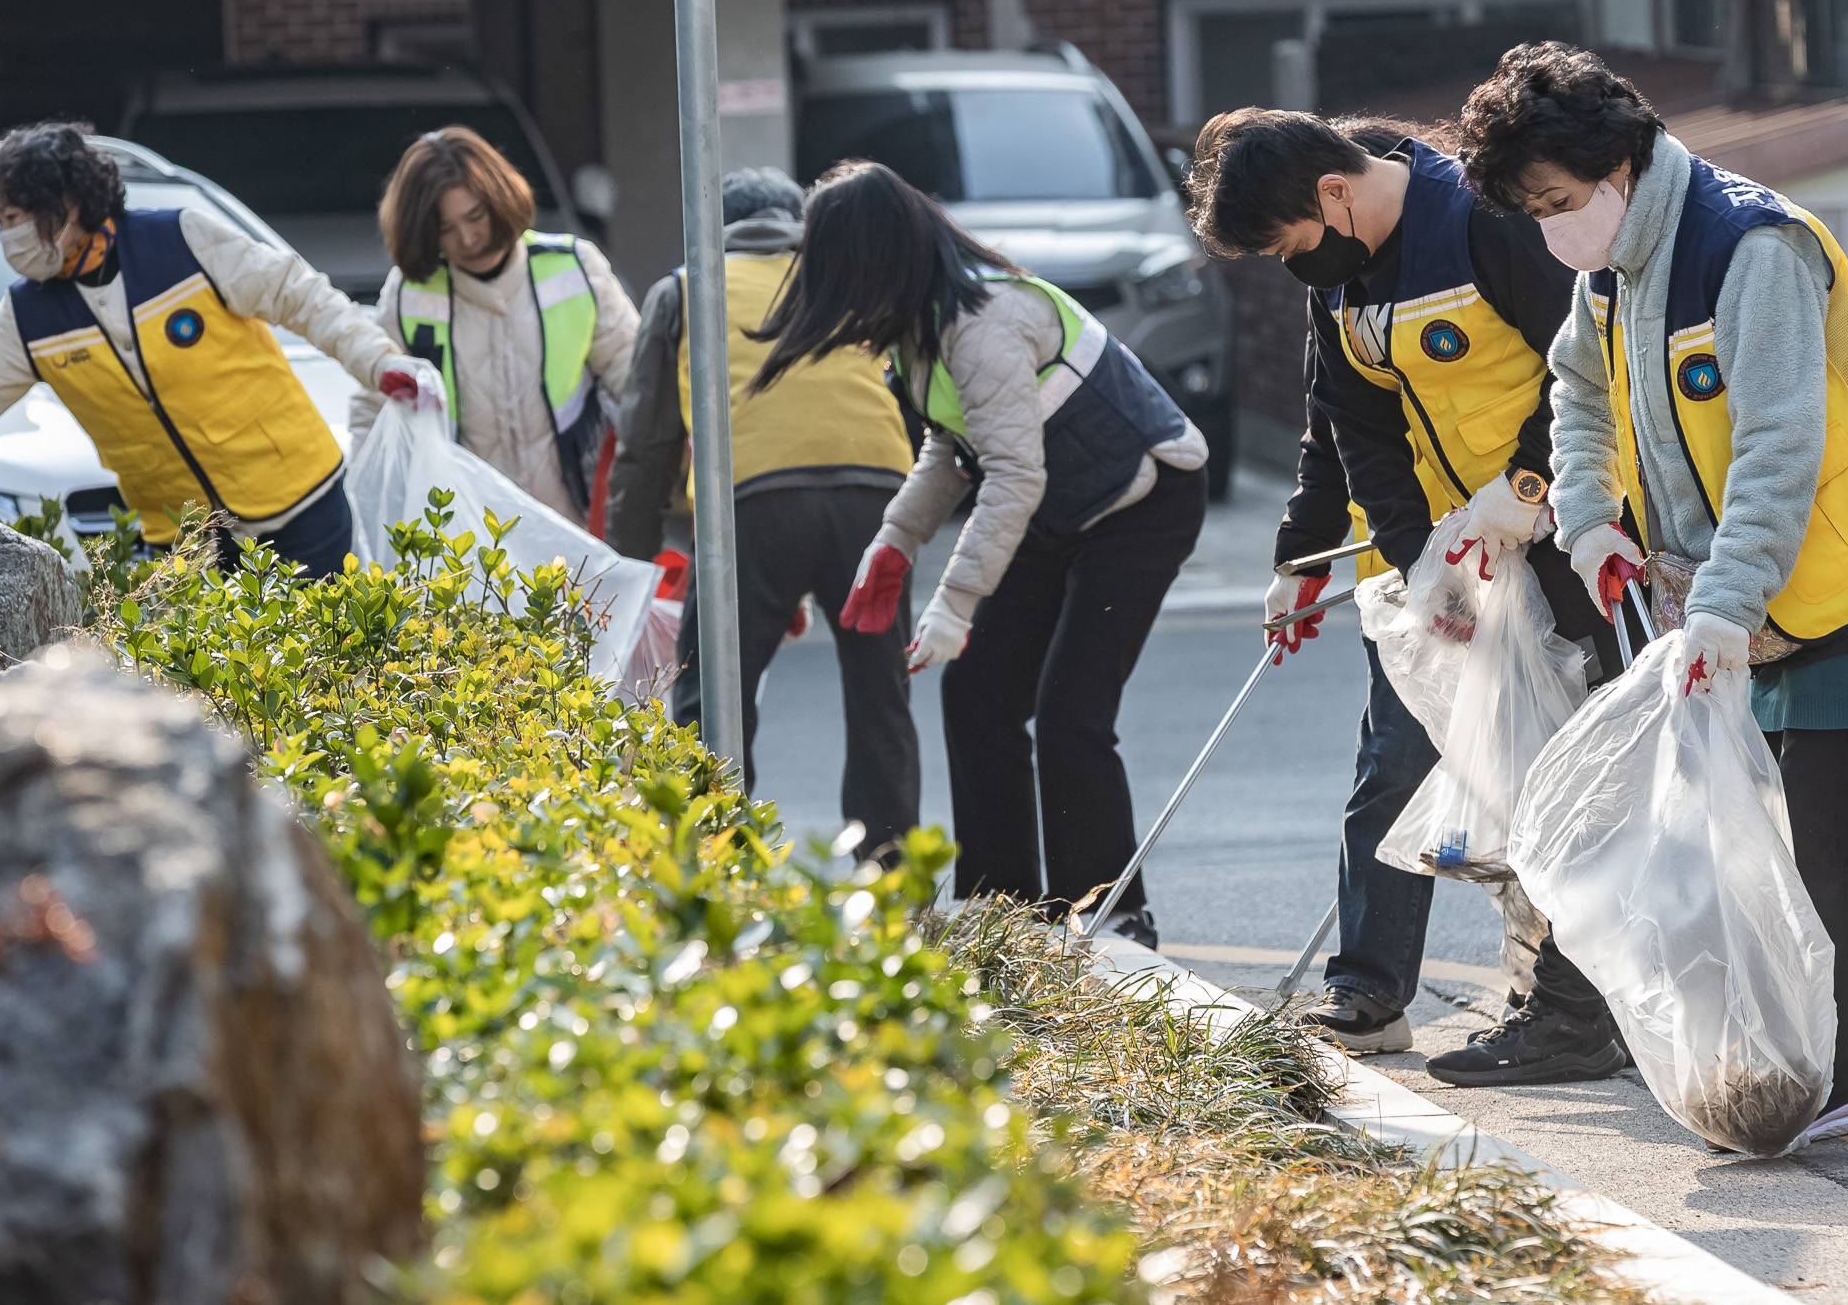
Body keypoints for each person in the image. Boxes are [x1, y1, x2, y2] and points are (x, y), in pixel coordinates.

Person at [1458, 42, 1848, 1139]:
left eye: (1559, 200)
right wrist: (1589, 517)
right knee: (1795, 826)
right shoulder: (1614, 264)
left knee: (1815, 834)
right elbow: (1577, 390)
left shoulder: (1750, 246)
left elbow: (1781, 446)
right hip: (1757, 591)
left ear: (1621, 162)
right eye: (1533, 211)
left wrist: (1724, 606)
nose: (1553, 229)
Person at [1188, 109, 1623, 1085]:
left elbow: (1592, 365)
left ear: (1332, 194)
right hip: (1449, 557)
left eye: (1289, 240)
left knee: (1572, 774)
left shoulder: (1480, 220)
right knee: (1395, 759)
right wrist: (1367, 559)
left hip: (1560, 538)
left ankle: (1574, 1004)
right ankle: (1367, 993)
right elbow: (1347, 424)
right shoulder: (1339, 278)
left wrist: (1523, 492)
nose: (1292, 263)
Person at [753, 160, 1206, 945]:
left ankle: (1111, 911)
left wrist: (953, 602)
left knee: (1071, 709)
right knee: (979, 694)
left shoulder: (982, 321)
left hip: (1141, 498)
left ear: (876, 260)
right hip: (1054, 504)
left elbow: (1012, 473)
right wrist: (894, 541)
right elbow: (951, 448)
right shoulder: (920, 332)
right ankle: (1009, 913)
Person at [603, 167, 920, 845]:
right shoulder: (850, 278)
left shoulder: (687, 289)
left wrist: (623, 571)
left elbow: (645, 445)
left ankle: (719, 870)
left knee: (712, 695)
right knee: (880, 697)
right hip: (879, 496)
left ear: (718, 232)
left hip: (754, 502)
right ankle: (893, 887)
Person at [0, 123, 437, 576]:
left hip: (301, 506)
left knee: (328, 647)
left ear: (68, 203)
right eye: (0, 221)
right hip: (185, 538)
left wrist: (379, 361)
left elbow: (301, 297)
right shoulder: (25, 316)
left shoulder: (184, 241)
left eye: (15, 217)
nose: (7, 236)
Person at [352, 127, 637, 526]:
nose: (468, 238)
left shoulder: (574, 268)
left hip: (583, 529)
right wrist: (363, 510)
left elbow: (637, 382)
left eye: (475, 216)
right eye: (446, 229)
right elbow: (372, 407)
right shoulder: (410, 294)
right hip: (466, 544)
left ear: (500, 198)